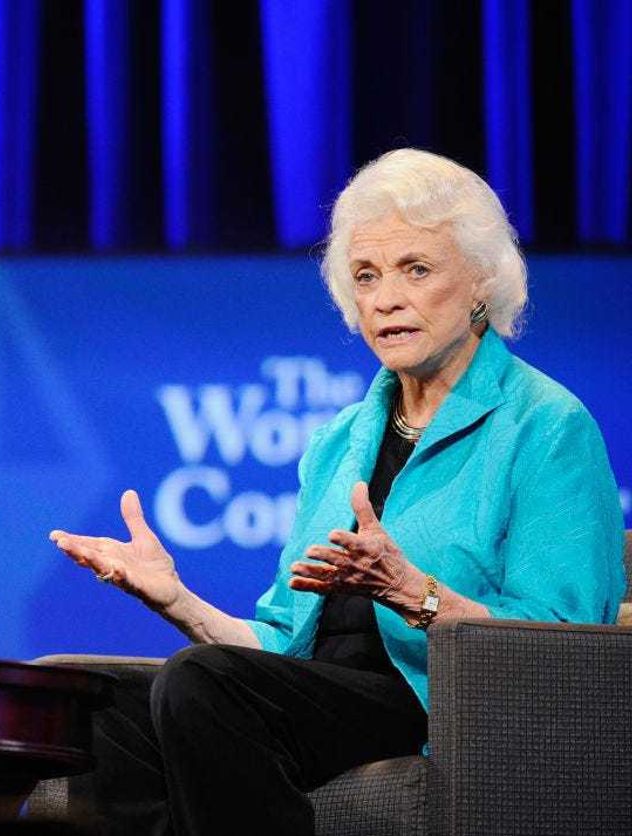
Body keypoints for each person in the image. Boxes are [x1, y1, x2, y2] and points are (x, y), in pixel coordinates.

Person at [49, 149, 625, 836]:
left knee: (203, 685)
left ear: (481, 284)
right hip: (330, 700)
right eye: (366, 276)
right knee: (96, 703)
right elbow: (283, 649)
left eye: (416, 269)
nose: (386, 298)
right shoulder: (339, 441)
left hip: (445, 704)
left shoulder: (545, 425)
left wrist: (414, 593)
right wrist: (178, 601)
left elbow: (567, 649)